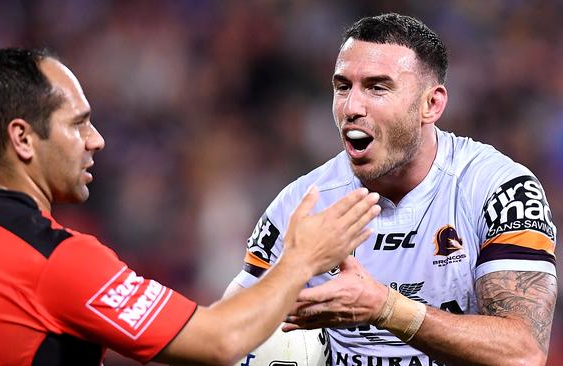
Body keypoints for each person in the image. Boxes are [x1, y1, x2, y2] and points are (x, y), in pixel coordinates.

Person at [0, 48, 382, 365]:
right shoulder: (56, 261)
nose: (96, 141)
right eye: (78, 124)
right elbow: (220, 341)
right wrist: (303, 258)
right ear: (22, 138)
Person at [224, 13, 557, 366]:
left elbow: (524, 353)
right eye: (342, 87)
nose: (352, 107)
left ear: (431, 104)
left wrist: (384, 307)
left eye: (377, 87)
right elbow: (230, 332)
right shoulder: (300, 205)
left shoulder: (499, 192)